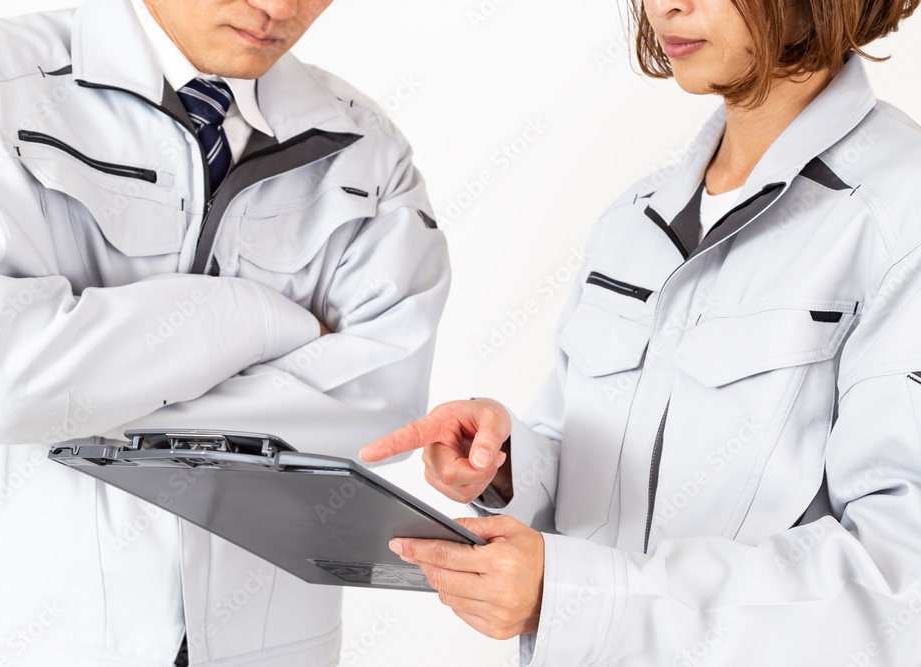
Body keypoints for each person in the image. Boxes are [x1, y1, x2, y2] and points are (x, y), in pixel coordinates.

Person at [361, 0, 921, 664]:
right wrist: (507, 464)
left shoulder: (901, 217)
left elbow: (898, 582)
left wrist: (574, 595)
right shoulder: (633, 218)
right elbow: (587, 463)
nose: (665, 5)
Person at [0, 0, 449, 664]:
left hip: (270, 647)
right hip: (35, 639)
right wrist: (264, 319)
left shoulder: (368, 147)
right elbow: (7, 383)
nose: (279, 8)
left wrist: (86, 398)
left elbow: (380, 409)